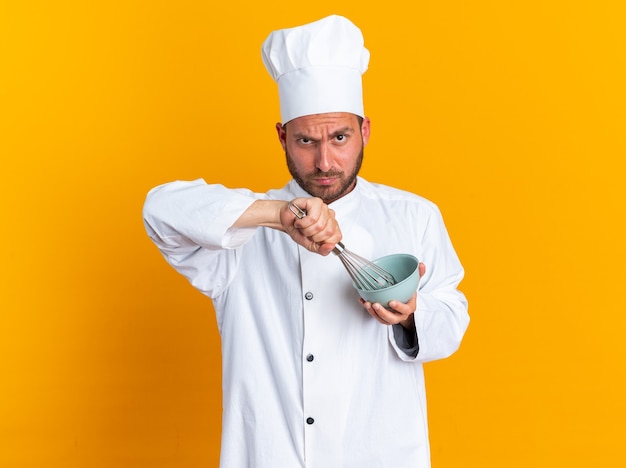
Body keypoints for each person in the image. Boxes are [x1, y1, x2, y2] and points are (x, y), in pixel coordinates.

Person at [143, 14, 469, 468]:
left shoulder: (413, 215)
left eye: (340, 137)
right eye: (305, 141)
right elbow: (158, 209)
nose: (325, 161)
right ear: (282, 137)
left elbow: (453, 318)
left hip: (379, 452)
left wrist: (412, 315)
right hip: (270, 454)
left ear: (365, 131)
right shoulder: (244, 230)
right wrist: (277, 215)